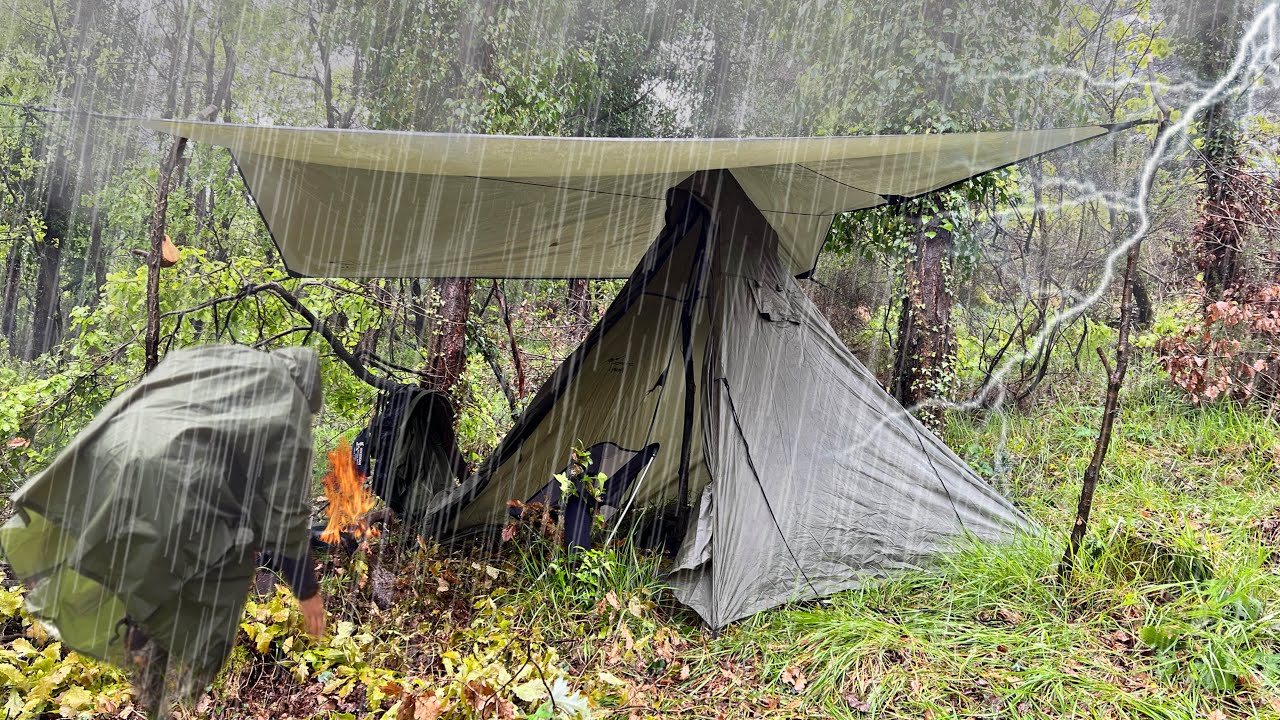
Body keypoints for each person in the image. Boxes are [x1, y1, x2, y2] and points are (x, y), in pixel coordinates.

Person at [0, 344, 328, 715]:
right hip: (179, 476)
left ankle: (141, 655)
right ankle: (170, 687)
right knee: (207, 575)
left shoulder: (225, 359)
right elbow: (285, 513)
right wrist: (306, 589)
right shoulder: (289, 401)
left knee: (131, 557)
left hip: (120, 446)